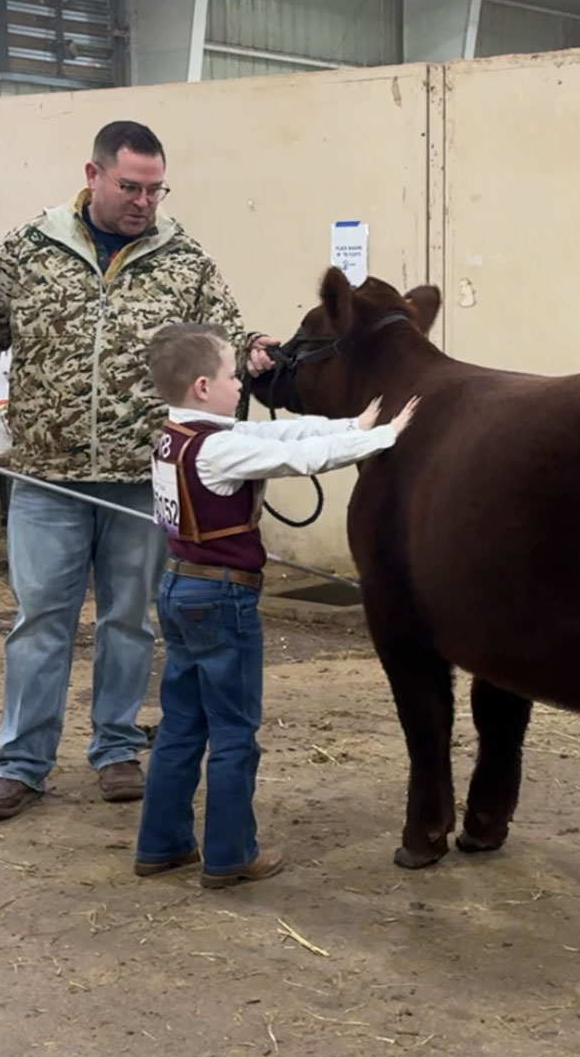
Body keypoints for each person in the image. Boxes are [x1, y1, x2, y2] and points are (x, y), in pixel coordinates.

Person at [0, 120, 277, 821]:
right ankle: (21, 764)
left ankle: (116, 748)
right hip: (45, 479)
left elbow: (223, 338)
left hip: (140, 478)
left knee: (131, 620)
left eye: (155, 189)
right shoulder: (30, 252)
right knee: (41, 622)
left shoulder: (183, 260)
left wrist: (253, 349)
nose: (143, 202)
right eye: (130, 186)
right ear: (92, 175)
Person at [135, 322, 418, 887]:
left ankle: (161, 843)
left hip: (177, 586)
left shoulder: (175, 434)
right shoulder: (218, 448)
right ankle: (230, 855)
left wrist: (351, 423)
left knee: (182, 725)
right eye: (231, 375)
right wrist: (380, 438)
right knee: (235, 729)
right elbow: (300, 459)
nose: (241, 383)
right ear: (201, 387)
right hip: (222, 593)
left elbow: (280, 440)